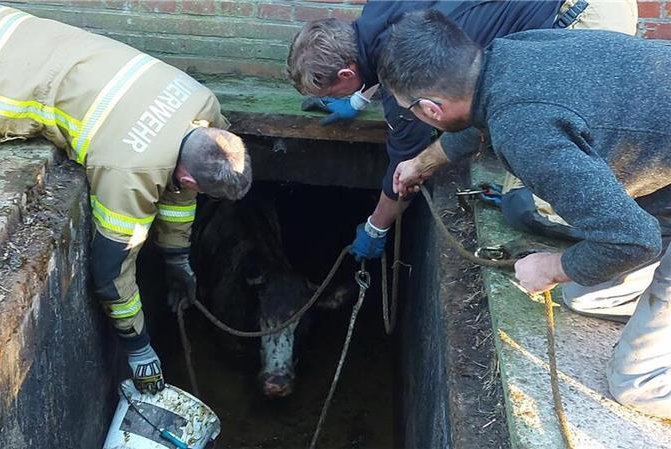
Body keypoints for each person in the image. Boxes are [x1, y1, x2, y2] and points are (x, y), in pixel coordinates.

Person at [0, 2, 252, 394]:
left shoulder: (200, 104)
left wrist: (177, 257)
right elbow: (110, 273)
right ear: (189, 176)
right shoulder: (129, 170)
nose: (192, 193)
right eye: (198, 189)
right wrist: (138, 347)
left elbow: (178, 187)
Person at [379, 9, 671, 418]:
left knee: (636, 386)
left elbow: (633, 239)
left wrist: (552, 267)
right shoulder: (513, 52)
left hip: (645, 217)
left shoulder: (525, 131)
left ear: (429, 109)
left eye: (408, 108)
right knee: (585, 296)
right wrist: (422, 162)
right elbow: (479, 116)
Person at [285, 0, 638, 259]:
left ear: (347, 74)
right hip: (586, 5)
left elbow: (404, 172)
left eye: (332, 93)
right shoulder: (379, 11)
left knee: (525, 205)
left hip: (582, 28)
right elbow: (377, 54)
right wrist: (358, 102)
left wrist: (376, 228)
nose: (336, 98)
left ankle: (626, 234)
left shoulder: (405, 95)